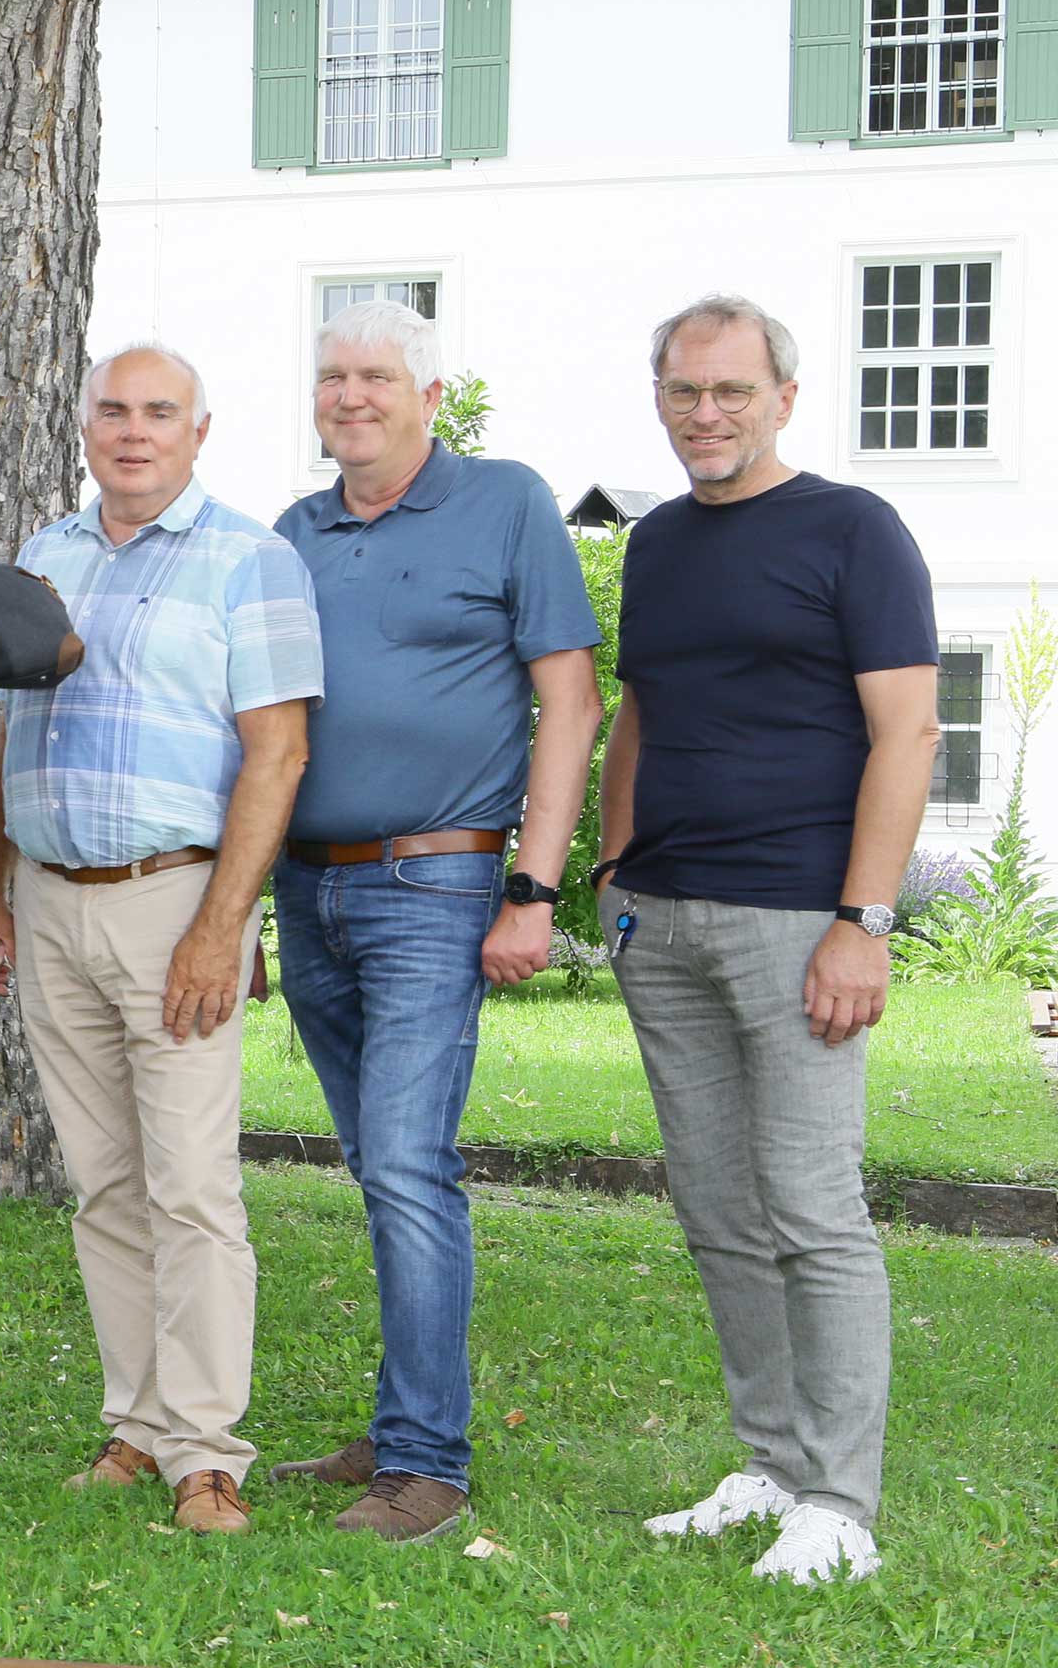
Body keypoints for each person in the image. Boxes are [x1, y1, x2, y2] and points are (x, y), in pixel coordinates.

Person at [599, 294, 938, 1586]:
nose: (707, 413)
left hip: (800, 919)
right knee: (720, 1208)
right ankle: (772, 1463)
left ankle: (841, 1503)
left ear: (783, 398)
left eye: (732, 390)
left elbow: (907, 733)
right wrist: (615, 868)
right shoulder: (661, 543)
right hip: (667, 919)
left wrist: (863, 920)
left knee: (810, 1206)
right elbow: (642, 708)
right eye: (686, 390)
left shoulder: (855, 530)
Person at [0, 344, 321, 1536]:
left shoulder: (249, 561)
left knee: (192, 1189)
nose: (131, 430)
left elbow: (277, 753)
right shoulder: (45, 558)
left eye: (157, 413)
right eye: (111, 409)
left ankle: (206, 1453)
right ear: (81, 424)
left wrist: (224, 924)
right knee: (102, 1184)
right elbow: (12, 740)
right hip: (49, 900)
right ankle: (138, 1422)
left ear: (197, 432)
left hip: (175, 904)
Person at [261, 301, 602, 1543]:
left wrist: (532, 886)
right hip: (308, 888)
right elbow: (260, 727)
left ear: (428, 391)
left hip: (435, 888)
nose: (349, 396)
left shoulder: (504, 501)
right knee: (377, 1165)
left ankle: (426, 1465)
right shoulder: (291, 532)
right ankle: (403, 1416)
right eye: (330, 376)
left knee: (407, 1163)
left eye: (374, 376)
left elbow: (566, 700)